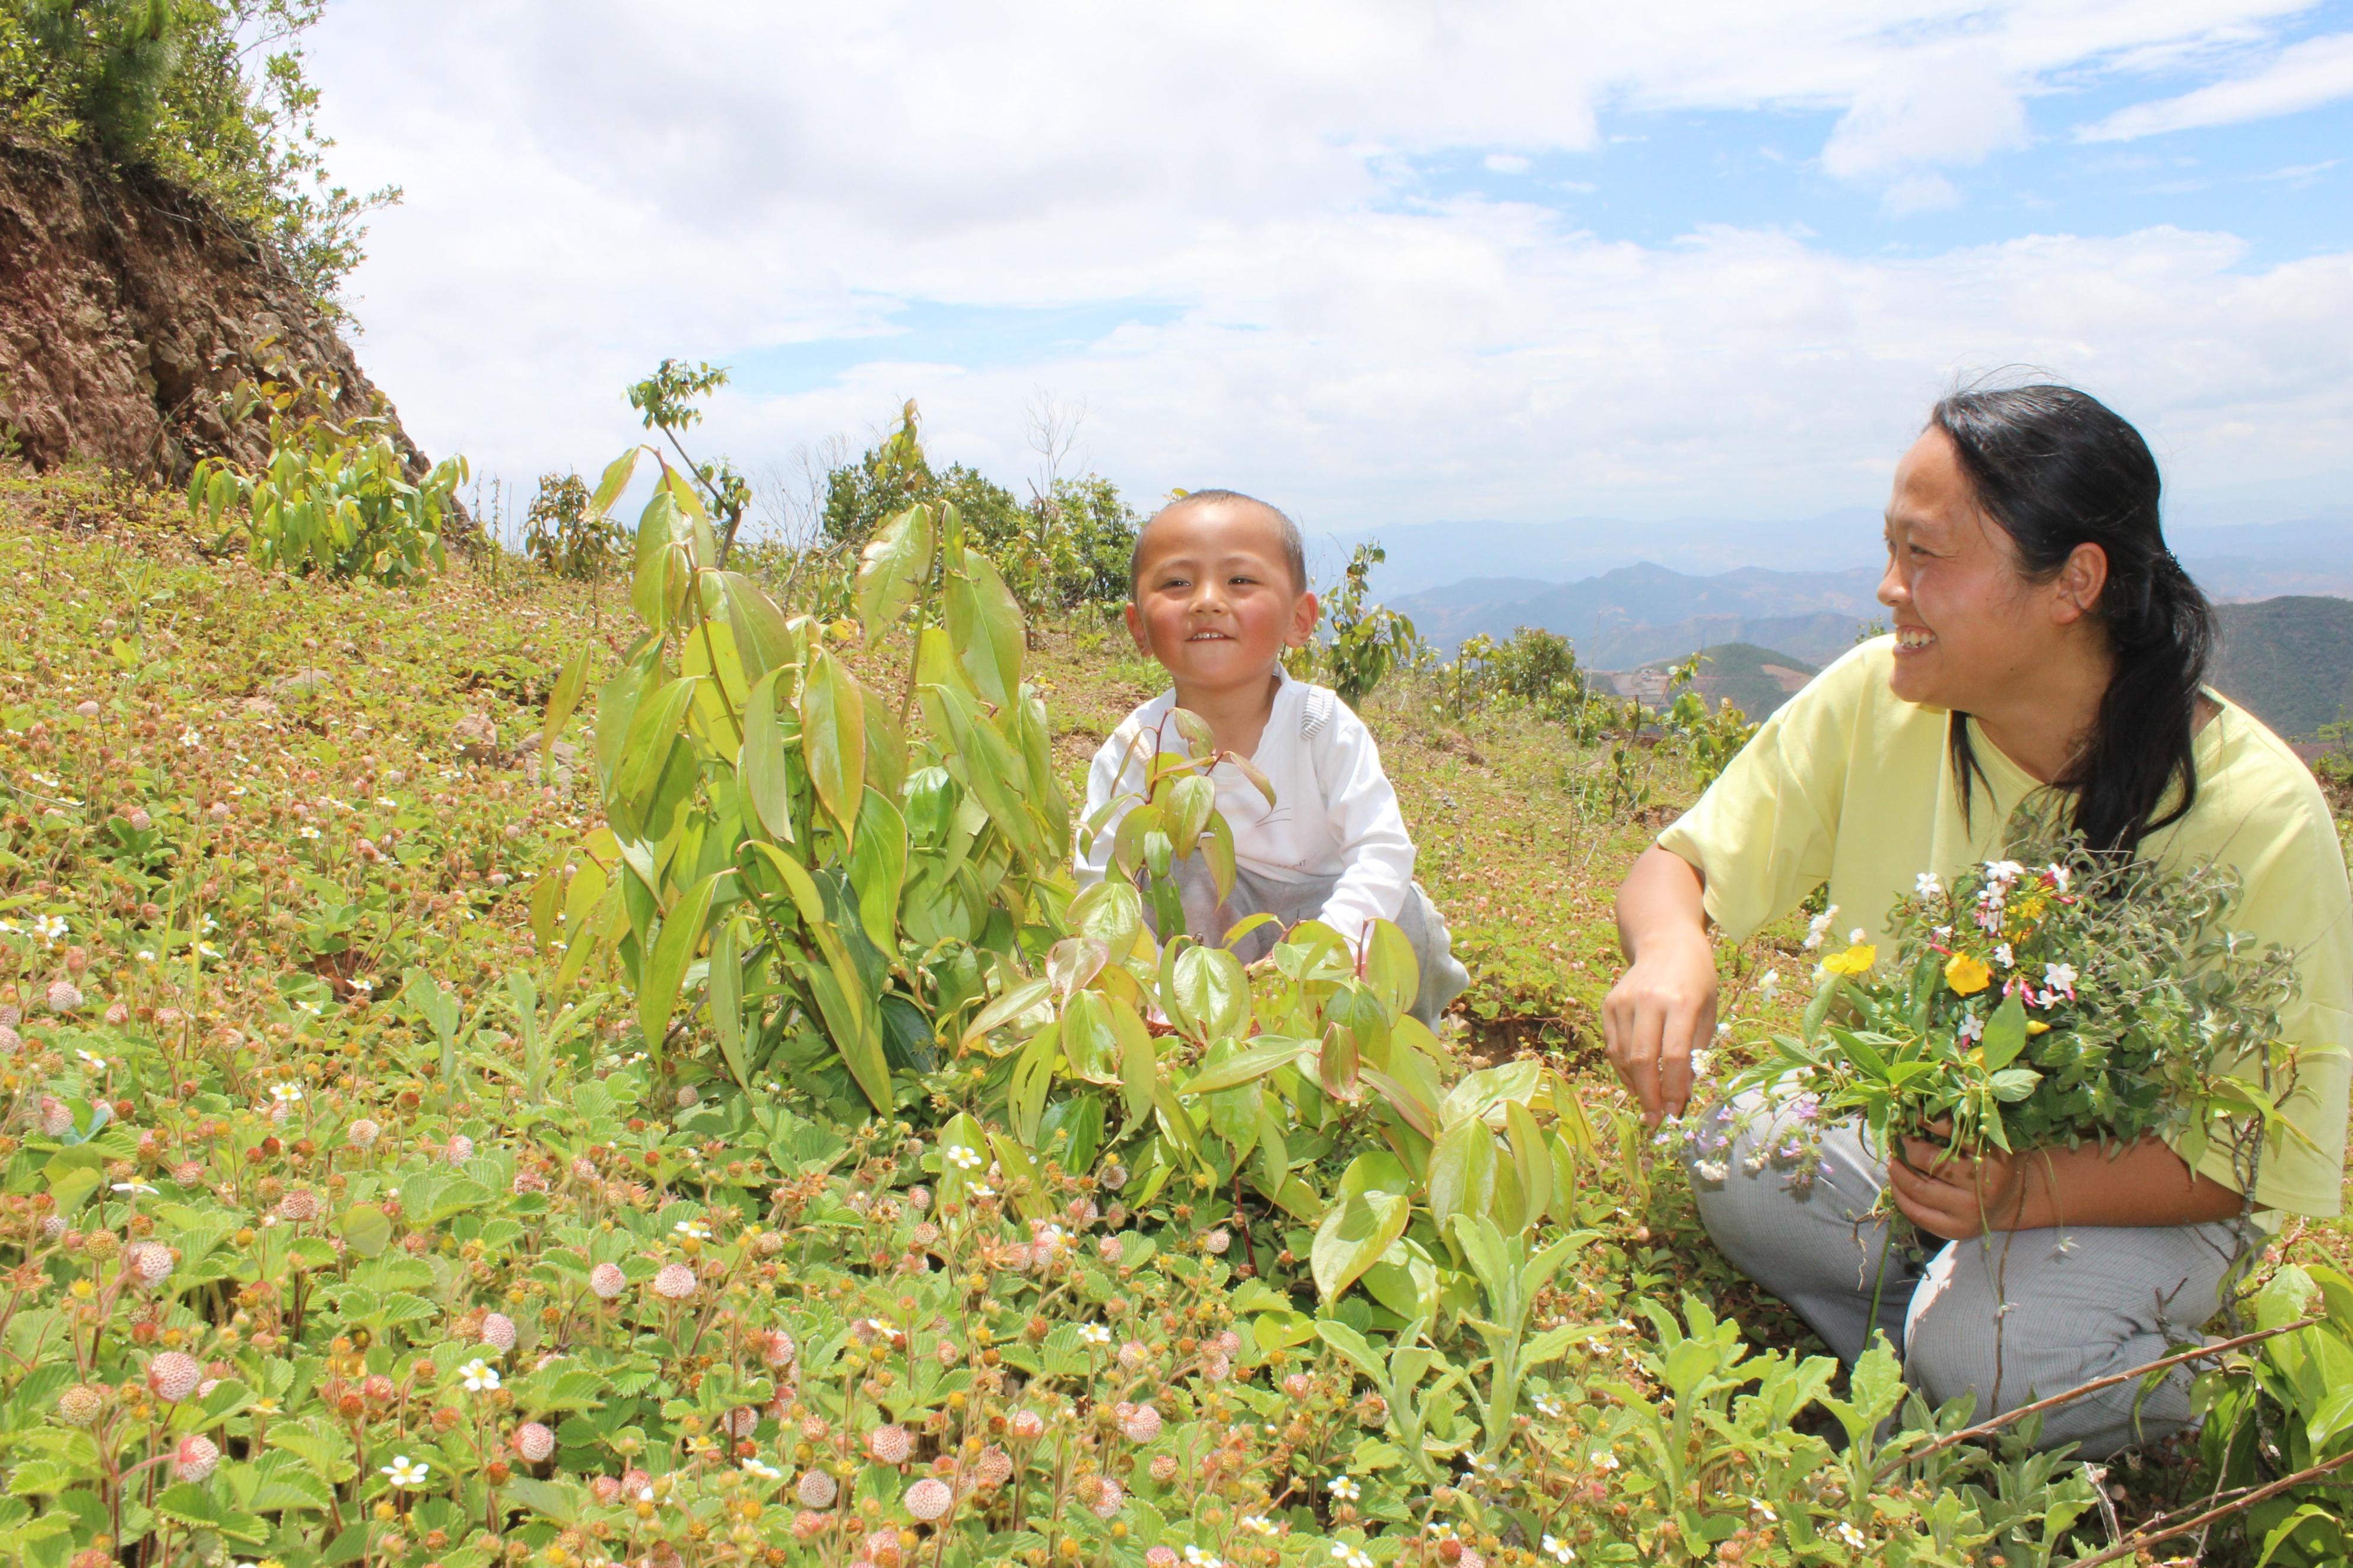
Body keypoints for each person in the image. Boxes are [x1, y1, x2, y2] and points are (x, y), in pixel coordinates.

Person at [1602, 384, 2352, 1459]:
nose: (1889, 587)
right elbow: (1678, 865)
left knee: (1988, 1346)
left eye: (1929, 555)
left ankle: (2214, 1415)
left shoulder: (2251, 812)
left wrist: (2018, 1187)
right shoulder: (1879, 696)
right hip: (1933, 1147)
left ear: (2075, 582)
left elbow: (2251, 1151)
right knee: (1742, 1157)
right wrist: (1675, 949)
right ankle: (1952, 1359)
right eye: (1891, 548)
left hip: (2141, 1191)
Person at [1075, 488, 1469, 1027]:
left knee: (1402, 912)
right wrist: (1141, 988)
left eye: (1240, 580)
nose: (1206, 600)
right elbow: (1099, 876)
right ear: (1138, 626)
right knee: (1166, 876)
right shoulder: (1136, 745)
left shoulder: (1322, 725)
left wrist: (1308, 961)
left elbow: (1381, 850)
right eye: (1176, 583)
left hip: (1326, 929)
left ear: (1299, 619)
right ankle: (1187, 1029)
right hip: (1207, 942)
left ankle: (1397, 1051)